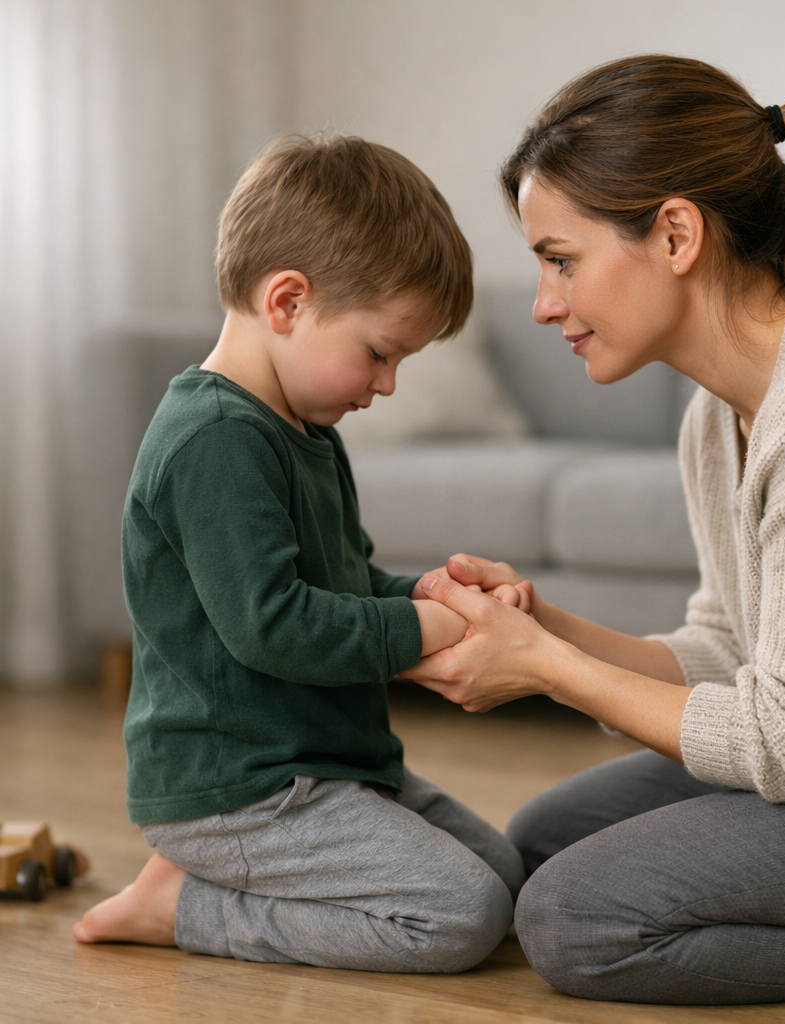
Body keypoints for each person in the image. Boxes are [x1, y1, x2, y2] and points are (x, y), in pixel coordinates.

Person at [403, 56, 785, 1004]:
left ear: (676, 234)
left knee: (578, 916)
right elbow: (736, 650)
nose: (543, 303)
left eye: (561, 260)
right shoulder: (720, 413)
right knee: (542, 844)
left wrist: (552, 672)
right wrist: (545, 631)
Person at [72, 134, 526, 972]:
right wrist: (421, 630)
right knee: (460, 917)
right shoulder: (214, 440)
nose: (386, 385)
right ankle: (184, 906)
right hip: (243, 787)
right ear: (287, 302)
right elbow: (274, 626)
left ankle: (209, 885)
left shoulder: (308, 433)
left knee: (506, 881)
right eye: (380, 353)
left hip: (327, 765)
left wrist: (443, 601)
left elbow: (343, 585)